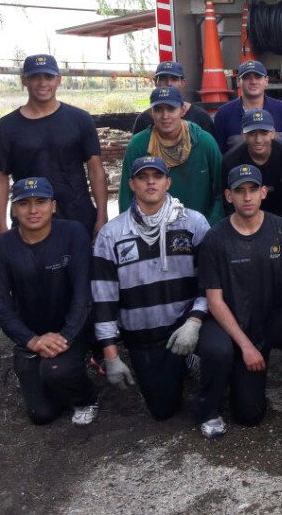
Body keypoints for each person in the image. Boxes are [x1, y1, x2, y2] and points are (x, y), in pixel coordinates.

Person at [195, 164, 282, 445]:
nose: (247, 197)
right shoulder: (215, 239)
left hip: (274, 316)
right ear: (228, 195)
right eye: (239, 191)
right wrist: (246, 346)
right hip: (236, 322)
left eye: (252, 190)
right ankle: (219, 388)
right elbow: (215, 301)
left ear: (262, 193)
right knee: (249, 415)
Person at [91, 157, 210, 420]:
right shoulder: (111, 234)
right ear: (132, 184)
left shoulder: (194, 223)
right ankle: (175, 370)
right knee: (162, 411)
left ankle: (194, 361)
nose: (151, 181)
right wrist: (110, 355)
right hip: (144, 337)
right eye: (143, 177)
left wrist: (195, 320)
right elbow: (103, 299)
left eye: (157, 176)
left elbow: (210, 283)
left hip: (186, 325)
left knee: (219, 352)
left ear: (168, 182)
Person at [0, 177, 98, 426]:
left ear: (53, 206)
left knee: (58, 370)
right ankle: (51, 381)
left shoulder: (73, 233)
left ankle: (86, 397)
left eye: (41, 202)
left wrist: (66, 336)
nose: (33, 210)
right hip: (30, 335)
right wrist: (32, 340)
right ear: (13, 209)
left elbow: (84, 293)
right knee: (41, 414)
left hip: (73, 329)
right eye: (24, 203)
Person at [0, 54, 108, 237]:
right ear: (24, 80)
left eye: (48, 76)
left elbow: (96, 169)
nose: (42, 83)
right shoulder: (7, 126)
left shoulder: (80, 119)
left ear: (58, 80)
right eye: (35, 77)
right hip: (30, 222)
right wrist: (1, 229)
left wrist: (102, 216)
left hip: (78, 217)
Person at [120, 86, 223, 221]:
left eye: (171, 109)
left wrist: (210, 229)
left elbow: (221, 192)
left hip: (200, 231)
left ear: (183, 110)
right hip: (150, 231)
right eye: (158, 110)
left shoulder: (204, 143)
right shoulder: (138, 145)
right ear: (151, 113)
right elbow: (126, 195)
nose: (165, 116)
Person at [222, 109, 282, 217]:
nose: (258, 140)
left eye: (264, 133)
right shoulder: (231, 161)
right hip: (245, 218)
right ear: (243, 134)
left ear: (273, 133)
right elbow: (229, 204)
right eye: (252, 133)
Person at [213, 59, 282, 152]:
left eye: (258, 77)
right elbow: (219, 155)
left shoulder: (281, 110)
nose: (253, 81)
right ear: (238, 81)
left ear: (266, 81)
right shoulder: (224, 114)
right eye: (247, 77)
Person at [131, 60, 215, 136]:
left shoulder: (201, 117)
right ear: (155, 82)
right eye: (163, 79)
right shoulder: (144, 119)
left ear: (183, 82)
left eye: (174, 79)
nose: (169, 83)